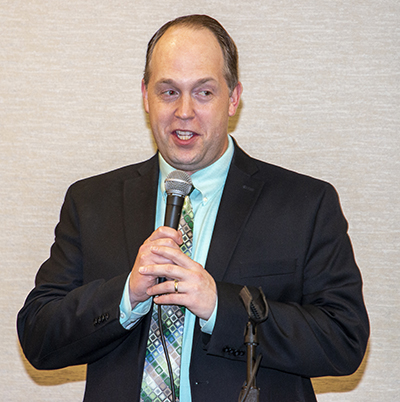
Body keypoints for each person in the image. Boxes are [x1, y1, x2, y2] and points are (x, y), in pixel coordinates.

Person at [17, 14, 369, 402]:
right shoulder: (91, 201)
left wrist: (221, 306)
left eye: (204, 92)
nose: (184, 111)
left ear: (233, 98)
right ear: (145, 95)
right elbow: (38, 335)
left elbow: (343, 340)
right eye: (168, 91)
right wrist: (125, 296)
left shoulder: (304, 204)